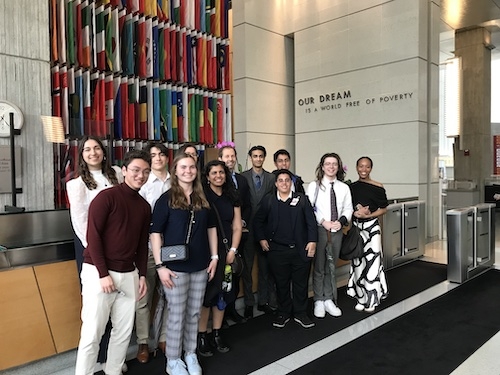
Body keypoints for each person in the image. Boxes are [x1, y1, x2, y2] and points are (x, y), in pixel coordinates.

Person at [75, 150, 152, 375]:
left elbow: (140, 245)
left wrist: (142, 276)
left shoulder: (144, 206)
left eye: (146, 172)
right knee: (92, 333)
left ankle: (113, 371)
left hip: (129, 274)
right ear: (124, 171)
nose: (141, 175)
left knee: (123, 333)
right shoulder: (106, 197)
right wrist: (102, 274)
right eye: (136, 170)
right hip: (98, 272)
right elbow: (93, 237)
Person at [150, 153, 219, 375]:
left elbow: (211, 229)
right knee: (177, 314)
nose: (188, 171)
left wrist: (215, 257)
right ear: (175, 171)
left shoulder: (203, 198)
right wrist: (160, 266)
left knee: (194, 314)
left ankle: (190, 354)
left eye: (191, 167)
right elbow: (155, 233)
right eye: (183, 167)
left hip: (200, 266)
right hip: (174, 269)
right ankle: (172, 359)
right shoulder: (166, 199)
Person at [66, 135, 122, 371]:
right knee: (96, 304)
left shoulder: (117, 174)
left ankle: (111, 359)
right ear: (82, 156)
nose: (93, 153)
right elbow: (80, 224)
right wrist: (96, 255)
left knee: (117, 303)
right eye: (87, 149)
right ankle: (95, 358)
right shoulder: (76, 185)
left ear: (104, 151)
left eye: (96, 148)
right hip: (92, 248)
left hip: (118, 245)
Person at [254, 170, 318, 329]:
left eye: (287, 180)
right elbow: (258, 221)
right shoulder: (269, 200)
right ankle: (283, 313)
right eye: (280, 180)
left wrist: (312, 241)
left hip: (300, 249)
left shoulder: (301, 199)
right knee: (281, 284)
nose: (284, 183)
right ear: (276, 184)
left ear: (292, 183)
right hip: (277, 251)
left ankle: (301, 313)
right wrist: (262, 239)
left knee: (300, 284)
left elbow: (311, 222)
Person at [198, 160, 242, 356]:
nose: (218, 176)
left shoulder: (232, 196)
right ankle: (202, 336)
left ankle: (216, 333)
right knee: (206, 296)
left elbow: (237, 226)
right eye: (214, 172)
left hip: (226, 252)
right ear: (207, 176)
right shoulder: (201, 196)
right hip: (205, 252)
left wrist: (233, 249)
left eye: (221, 172)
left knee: (222, 294)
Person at [135, 142, 171, 363]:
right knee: (144, 297)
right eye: (153, 155)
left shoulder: (176, 181)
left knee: (169, 296)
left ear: (168, 158)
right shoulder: (142, 182)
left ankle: (165, 337)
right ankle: (142, 342)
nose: (157, 158)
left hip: (172, 249)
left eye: (161, 154)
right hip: (147, 249)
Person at [306, 153, 353, 319]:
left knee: (331, 266)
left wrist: (340, 221)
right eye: (328, 164)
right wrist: (323, 221)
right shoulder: (314, 186)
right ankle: (318, 299)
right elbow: (309, 208)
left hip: (337, 230)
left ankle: (329, 298)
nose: (331, 167)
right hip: (320, 230)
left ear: (338, 166)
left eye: (334, 164)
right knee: (319, 266)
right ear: (322, 166)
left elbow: (348, 209)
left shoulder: (343, 187)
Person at [347, 156, 389, 313]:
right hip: (357, 229)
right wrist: (356, 212)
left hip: (372, 228)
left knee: (373, 262)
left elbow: (384, 209)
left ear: (371, 168)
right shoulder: (352, 187)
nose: (363, 170)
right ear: (356, 167)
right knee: (358, 261)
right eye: (360, 166)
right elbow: (346, 207)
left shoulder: (378, 186)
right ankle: (361, 297)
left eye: (367, 167)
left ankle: (372, 299)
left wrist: (368, 215)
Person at [241, 145, 276, 318]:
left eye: (261, 156)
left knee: (265, 268)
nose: (258, 159)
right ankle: (248, 303)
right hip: (247, 229)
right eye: (255, 156)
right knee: (246, 268)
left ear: (264, 158)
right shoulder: (242, 177)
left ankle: (263, 301)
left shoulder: (271, 178)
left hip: (265, 230)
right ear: (250, 157)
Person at [218, 145, 251, 323]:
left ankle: (231, 309)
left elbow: (247, 205)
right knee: (222, 275)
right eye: (226, 156)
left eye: (232, 156)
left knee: (236, 271)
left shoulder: (242, 180)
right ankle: (220, 315)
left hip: (240, 233)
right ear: (220, 158)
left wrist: (242, 222)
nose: (230, 159)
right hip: (221, 235)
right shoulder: (215, 180)